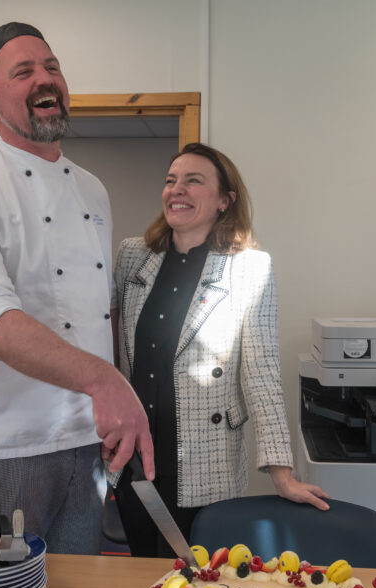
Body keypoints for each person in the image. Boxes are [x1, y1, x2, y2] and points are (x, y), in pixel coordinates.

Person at [0, 22, 153, 555]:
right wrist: (106, 382)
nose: (44, 79)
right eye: (22, 72)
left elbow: (97, 311)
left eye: (51, 67)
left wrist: (105, 407)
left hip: (81, 442)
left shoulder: (92, 189)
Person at [109, 143, 330, 557]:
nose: (178, 189)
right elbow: (111, 347)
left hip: (203, 458)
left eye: (194, 181)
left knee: (201, 583)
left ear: (224, 201)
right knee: (140, 575)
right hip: (136, 455)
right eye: (171, 180)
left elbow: (261, 372)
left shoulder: (249, 268)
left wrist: (282, 475)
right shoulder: (132, 255)